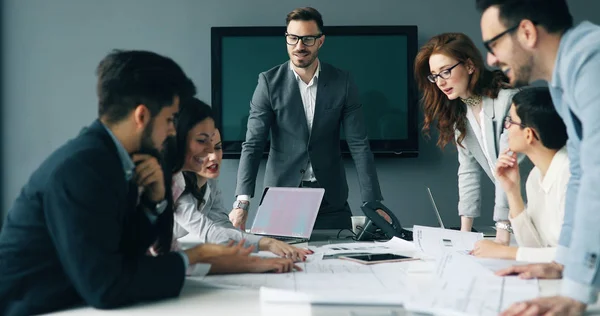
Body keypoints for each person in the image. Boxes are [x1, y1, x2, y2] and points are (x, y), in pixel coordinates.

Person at [0, 50, 297, 316]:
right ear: (142, 115)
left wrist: (155, 203)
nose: (171, 132)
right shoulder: (84, 168)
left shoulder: (116, 160)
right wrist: (195, 256)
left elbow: (127, 254)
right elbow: (107, 287)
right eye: (169, 120)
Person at [477, 0, 600, 314]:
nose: (491, 59)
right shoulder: (564, 84)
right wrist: (563, 263)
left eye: (493, 44)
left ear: (527, 32)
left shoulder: (591, 60)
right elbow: (581, 177)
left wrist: (575, 292)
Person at [231, 7, 384, 230]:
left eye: (307, 39)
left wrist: (373, 202)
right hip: (281, 197)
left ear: (320, 41)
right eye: (293, 38)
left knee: (340, 260)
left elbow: (359, 144)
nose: (299, 46)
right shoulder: (268, 83)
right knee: (280, 263)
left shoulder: (343, 82)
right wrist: (242, 203)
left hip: (331, 198)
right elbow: (253, 145)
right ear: (286, 39)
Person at [169, 97, 313, 262]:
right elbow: (210, 233)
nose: (214, 156)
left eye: (218, 147)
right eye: (202, 142)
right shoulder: (174, 185)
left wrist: (257, 251)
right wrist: (267, 244)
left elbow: (223, 227)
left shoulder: (209, 183)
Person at [414, 32, 523, 244]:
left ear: (470, 66)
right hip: (518, 217)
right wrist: (464, 235)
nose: (440, 82)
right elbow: (468, 172)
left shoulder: (508, 102)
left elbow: (510, 168)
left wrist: (502, 233)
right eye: (435, 76)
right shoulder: (462, 115)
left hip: (541, 208)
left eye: (445, 72)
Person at [471, 87, 569, 262]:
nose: (506, 127)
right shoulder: (535, 177)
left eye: (510, 121)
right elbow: (534, 248)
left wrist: (503, 252)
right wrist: (512, 192)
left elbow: (575, 256)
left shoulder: (571, 177)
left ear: (529, 134)